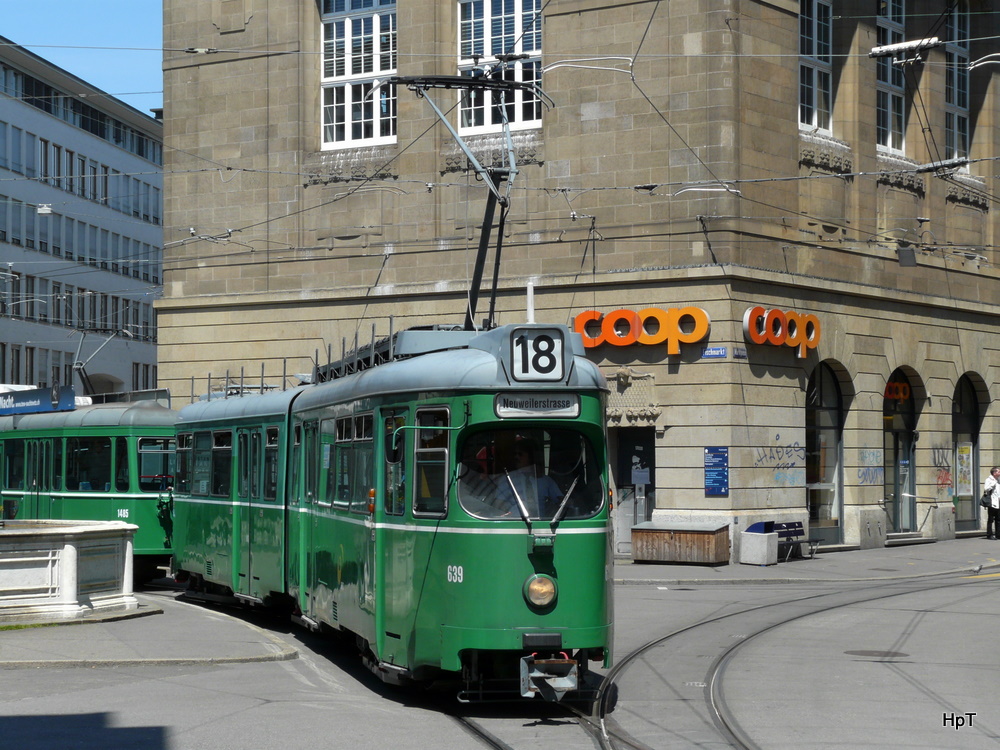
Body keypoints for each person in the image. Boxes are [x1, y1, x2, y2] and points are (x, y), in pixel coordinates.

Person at [496, 439, 562, 518]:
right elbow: (498, 505)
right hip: (514, 524)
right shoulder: (507, 479)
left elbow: (560, 501)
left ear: (531, 456)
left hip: (542, 525)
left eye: (520, 454)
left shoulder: (545, 480)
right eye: (514, 454)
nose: (516, 457)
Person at [986, 467, 1000, 539]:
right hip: (991, 502)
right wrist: (993, 484)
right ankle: (989, 534)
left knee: (998, 519)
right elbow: (986, 489)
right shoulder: (989, 480)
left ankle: (998, 534)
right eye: (998, 472)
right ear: (994, 473)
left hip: (998, 502)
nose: (999, 473)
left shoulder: (998, 480)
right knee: (990, 519)